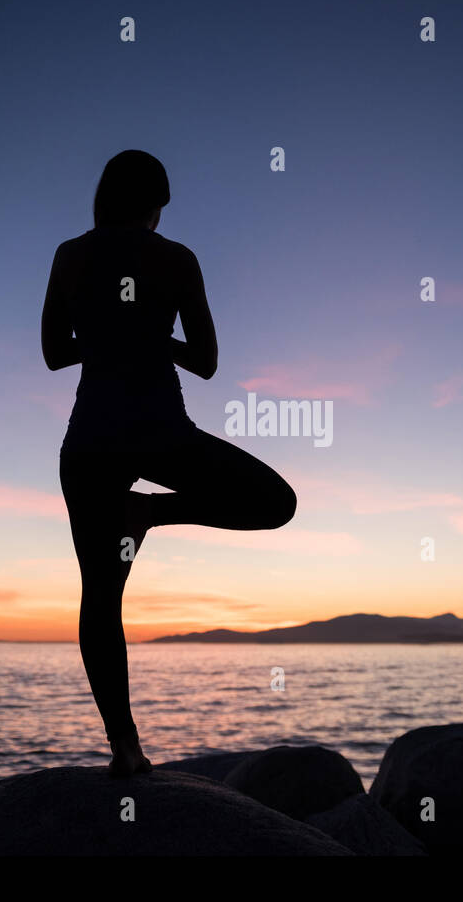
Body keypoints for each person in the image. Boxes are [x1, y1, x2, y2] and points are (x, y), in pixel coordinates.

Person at [42, 150, 297, 776]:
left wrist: (104, 337)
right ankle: (150, 513)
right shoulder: (177, 259)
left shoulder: (71, 254)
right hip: (160, 431)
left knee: (101, 598)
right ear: (154, 203)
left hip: (92, 439)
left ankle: (124, 747)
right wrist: (154, 337)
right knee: (275, 503)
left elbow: (53, 353)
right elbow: (207, 360)